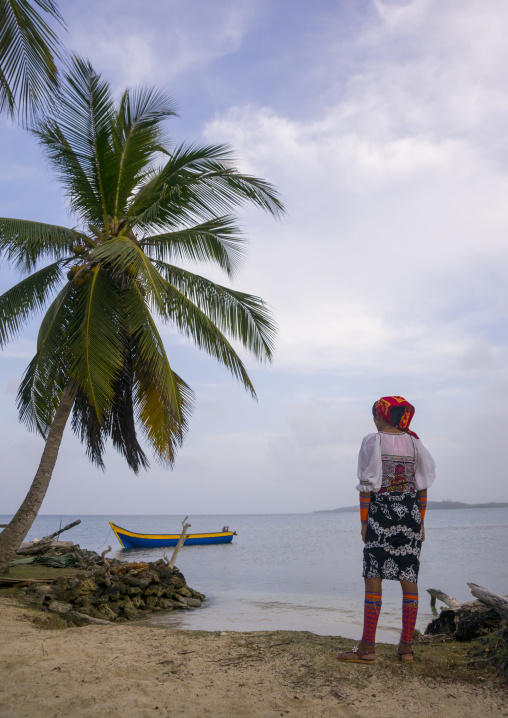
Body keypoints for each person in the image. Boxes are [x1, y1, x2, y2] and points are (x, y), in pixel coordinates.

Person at [337, 396, 435, 664]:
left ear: (380, 417)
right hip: (411, 515)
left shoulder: (373, 440)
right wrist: (421, 520)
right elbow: (422, 486)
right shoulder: (415, 443)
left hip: (381, 514)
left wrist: (364, 522)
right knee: (409, 577)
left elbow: (366, 484)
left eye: (375, 417)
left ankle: (367, 649)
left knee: (373, 576)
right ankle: (406, 649)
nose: (374, 422)